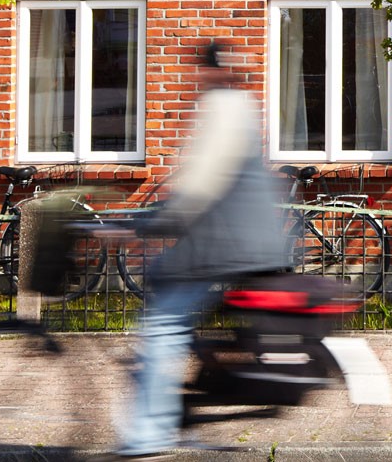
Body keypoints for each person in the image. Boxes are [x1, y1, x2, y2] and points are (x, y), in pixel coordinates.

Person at [101, 40, 290, 460]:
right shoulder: (242, 105)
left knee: (160, 326)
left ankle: (148, 434)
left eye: (198, 69)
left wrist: (141, 225)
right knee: (172, 304)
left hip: (225, 246)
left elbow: (198, 189)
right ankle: (187, 401)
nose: (194, 77)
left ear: (208, 71)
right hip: (244, 243)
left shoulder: (222, 108)